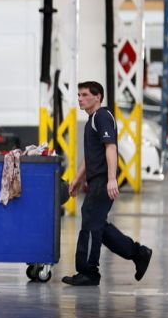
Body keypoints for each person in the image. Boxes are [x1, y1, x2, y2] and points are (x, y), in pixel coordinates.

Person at [62, 81, 153, 286]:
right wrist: (77, 178)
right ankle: (139, 253)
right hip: (96, 181)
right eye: (79, 95)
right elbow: (91, 156)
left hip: (103, 181)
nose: (80, 98)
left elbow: (110, 148)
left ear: (98, 96)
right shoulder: (91, 120)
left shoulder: (102, 116)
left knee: (91, 224)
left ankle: (88, 272)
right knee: (99, 226)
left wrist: (112, 179)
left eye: (85, 95)